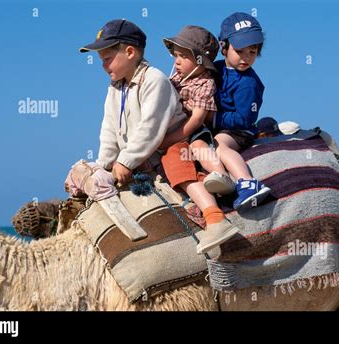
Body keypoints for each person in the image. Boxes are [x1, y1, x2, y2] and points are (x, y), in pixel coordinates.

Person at [79, 19, 239, 254]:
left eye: (107, 58)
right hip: (144, 154)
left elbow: (150, 128)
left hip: (170, 143)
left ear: (130, 52)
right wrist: (104, 164)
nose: (103, 66)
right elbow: (109, 128)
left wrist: (126, 161)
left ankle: (215, 218)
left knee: (177, 167)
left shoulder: (155, 80)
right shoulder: (116, 88)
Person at [160, 25, 235, 195]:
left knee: (198, 145)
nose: (176, 61)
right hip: (173, 122)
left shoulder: (205, 83)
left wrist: (171, 138)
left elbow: (197, 119)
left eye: (183, 57)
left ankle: (221, 176)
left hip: (191, 129)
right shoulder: (176, 78)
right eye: (176, 55)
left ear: (201, 61)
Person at [207, 12, 271, 210]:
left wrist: (213, 118)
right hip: (217, 126)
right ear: (224, 47)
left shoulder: (249, 83)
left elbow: (244, 119)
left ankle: (247, 182)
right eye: (240, 50)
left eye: (252, 52)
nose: (246, 57)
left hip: (238, 131)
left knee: (220, 146)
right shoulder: (215, 69)